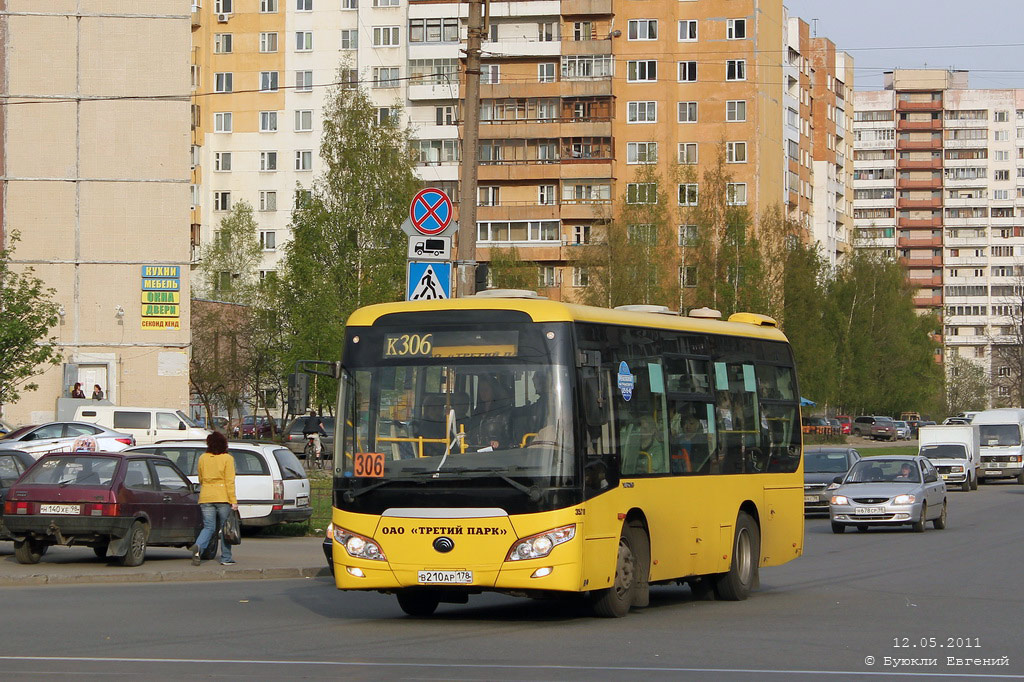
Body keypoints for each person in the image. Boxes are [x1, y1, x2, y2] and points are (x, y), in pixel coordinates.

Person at [190, 431, 238, 566]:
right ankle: (226, 558)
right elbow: (230, 481)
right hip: (223, 496)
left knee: (209, 527)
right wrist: (233, 501)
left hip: (205, 496)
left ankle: (199, 546)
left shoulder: (202, 458)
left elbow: (200, 478)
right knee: (225, 528)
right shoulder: (227, 459)